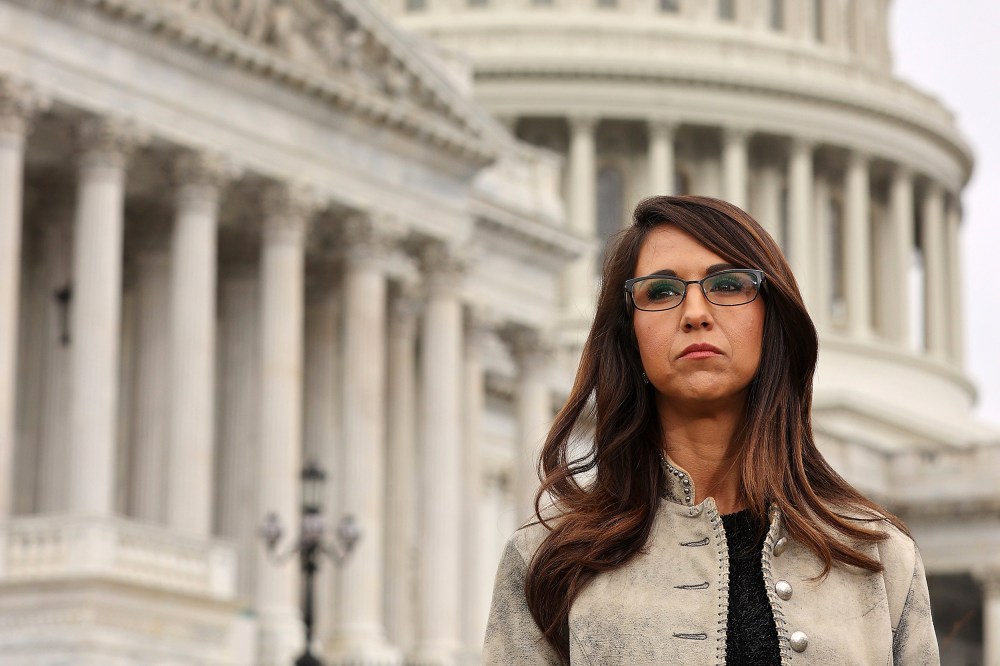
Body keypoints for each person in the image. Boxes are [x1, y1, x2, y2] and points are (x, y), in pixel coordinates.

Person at [482, 196, 939, 665]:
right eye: (660, 292)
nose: (695, 313)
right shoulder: (550, 562)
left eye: (727, 284)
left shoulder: (876, 558)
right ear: (629, 335)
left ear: (771, 319)